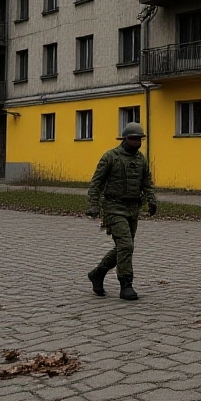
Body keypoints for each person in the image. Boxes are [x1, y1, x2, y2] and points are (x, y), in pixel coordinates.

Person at [86, 121, 157, 300]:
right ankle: (126, 284)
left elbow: (146, 182)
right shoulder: (110, 157)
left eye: (140, 139)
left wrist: (151, 200)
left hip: (133, 208)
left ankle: (98, 273)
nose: (137, 142)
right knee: (126, 245)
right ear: (124, 138)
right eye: (133, 139)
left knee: (124, 247)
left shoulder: (141, 159)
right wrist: (93, 205)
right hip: (113, 207)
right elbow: (96, 183)